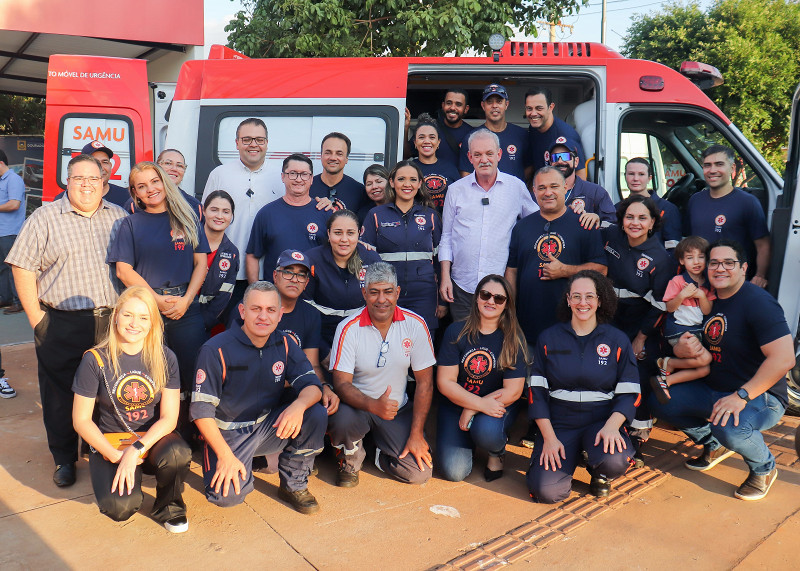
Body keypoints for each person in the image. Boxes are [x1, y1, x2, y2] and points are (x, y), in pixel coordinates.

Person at [6, 154, 127, 487]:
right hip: (60, 322)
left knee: (107, 392)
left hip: (109, 323)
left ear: (104, 184)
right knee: (59, 394)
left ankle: (101, 448)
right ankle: (64, 459)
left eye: (94, 179)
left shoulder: (119, 217)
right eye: (79, 179)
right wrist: (37, 319)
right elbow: (22, 266)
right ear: (68, 181)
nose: (87, 185)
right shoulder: (45, 217)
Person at [648, 240, 794, 501]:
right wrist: (681, 349)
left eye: (729, 262)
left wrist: (741, 396)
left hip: (760, 396)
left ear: (744, 268)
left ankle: (764, 467)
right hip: (713, 387)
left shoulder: (757, 302)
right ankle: (713, 445)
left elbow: (783, 359)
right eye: (714, 262)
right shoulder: (708, 298)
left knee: (729, 427)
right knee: (662, 402)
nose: (720, 268)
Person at [191, 281, 327, 513]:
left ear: (279, 315)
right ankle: (244, 461)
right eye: (256, 309)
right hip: (229, 436)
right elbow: (201, 412)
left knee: (315, 413)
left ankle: (294, 485)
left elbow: (313, 386)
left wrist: (298, 406)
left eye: (270, 310)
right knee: (227, 498)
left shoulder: (284, 342)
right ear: (243, 312)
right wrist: (225, 456)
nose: (263, 316)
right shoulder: (215, 349)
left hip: (267, 426)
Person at [72, 286, 191, 531]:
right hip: (112, 441)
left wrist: (135, 450)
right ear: (116, 316)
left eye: (143, 317)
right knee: (120, 508)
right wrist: (116, 455)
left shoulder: (166, 357)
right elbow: (81, 420)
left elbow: (169, 418)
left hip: (151, 438)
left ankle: (169, 507)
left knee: (177, 453)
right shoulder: (95, 359)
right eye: (128, 315)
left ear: (153, 323)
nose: (134, 323)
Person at [527, 270, 640, 502]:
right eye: (576, 296)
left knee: (614, 460)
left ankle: (600, 473)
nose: (583, 302)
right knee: (545, 491)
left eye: (590, 296)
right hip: (559, 422)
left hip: (601, 420)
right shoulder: (549, 338)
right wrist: (548, 437)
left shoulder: (617, 340)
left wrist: (612, 427)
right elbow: (536, 393)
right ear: (568, 300)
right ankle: (565, 458)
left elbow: (630, 392)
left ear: (600, 301)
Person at [109, 162, 209, 411]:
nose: (150, 189)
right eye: (142, 186)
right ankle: (158, 430)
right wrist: (155, 300)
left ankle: (194, 431)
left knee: (193, 372)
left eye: (155, 181)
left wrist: (186, 300)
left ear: (164, 181)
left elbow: (201, 264)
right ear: (135, 193)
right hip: (146, 312)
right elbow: (123, 270)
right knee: (151, 371)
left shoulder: (187, 219)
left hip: (186, 308)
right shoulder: (129, 224)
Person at [328, 262, 436, 487]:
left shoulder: (415, 325)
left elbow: (425, 383)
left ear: (397, 292)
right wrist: (373, 405)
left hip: (396, 409)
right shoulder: (348, 328)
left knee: (419, 474)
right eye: (374, 292)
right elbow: (341, 384)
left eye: (388, 292)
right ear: (364, 293)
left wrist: (416, 434)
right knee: (341, 419)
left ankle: (377, 453)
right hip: (357, 406)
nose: (381, 299)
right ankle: (349, 459)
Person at [440, 129, 539, 321]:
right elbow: (446, 237)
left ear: (499, 155)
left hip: (499, 290)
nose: (484, 159)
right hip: (462, 287)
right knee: (464, 344)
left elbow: (537, 220)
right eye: (477, 154)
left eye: (489, 153)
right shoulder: (455, 190)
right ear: (469, 157)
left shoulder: (516, 187)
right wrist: (445, 277)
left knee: (497, 344)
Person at [602, 195, 676, 454]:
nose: (635, 222)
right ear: (621, 221)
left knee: (638, 371)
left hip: (640, 325)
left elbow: (660, 305)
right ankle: (610, 422)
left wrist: (641, 338)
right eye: (629, 217)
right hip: (609, 318)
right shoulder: (610, 236)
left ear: (652, 222)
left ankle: (638, 432)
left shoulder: (660, 258)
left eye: (642, 218)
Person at [436, 274, 527, 482]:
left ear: (506, 304)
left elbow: (513, 391)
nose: (491, 301)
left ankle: (496, 452)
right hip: (455, 404)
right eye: (485, 295)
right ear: (477, 298)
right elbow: (445, 382)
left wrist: (474, 408)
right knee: (454, 472)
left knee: (485, 431)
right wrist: (475, 403)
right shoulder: (456, 332)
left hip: (496, 405)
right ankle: (467, 437)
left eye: (499, 298)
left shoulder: (513, 338)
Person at [505, 166, 606, 349]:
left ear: (565, 187)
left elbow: (602, 269)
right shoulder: (521, 227)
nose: (548, 192)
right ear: (533, 191)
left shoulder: (584, 224)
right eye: (541, 188)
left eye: (554, 186)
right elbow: (512, 271)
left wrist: (565, 271)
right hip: (527, 329)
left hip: (571, 328)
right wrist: (509, 311)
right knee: (530, 377)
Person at [202, 118, 282, 312]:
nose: (253, 144)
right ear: (237, 143)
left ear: (267, 143)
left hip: (268, 270)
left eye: (259, 139)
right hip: (227, 270)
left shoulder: (281, 175)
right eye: (246, 139)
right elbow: (204, 221)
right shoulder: (219, 174)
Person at [361, 160, 444, 336]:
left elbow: (439, 259)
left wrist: (442, 301)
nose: (407, 184)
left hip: (424, 294)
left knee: (423, 349)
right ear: (392, 182)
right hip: (387, 294)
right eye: (401, 179)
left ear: (420, 183)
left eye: (413, 179)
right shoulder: (375, 215)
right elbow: (364, 260)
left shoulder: (430, 216)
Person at [687, 145, 770, 286]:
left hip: (733, 283)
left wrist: (760, 276)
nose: (712, 170)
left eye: (719, 164)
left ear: (732, 169)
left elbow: (763, 245)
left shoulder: (748, 202)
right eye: (707, 165)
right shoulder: (695, 200)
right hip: (701, 283)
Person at [303, 209, 382, 351]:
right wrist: (322, 352)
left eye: (350, 233)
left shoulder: (372, 259)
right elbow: (303, 312)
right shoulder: (311, 261)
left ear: (359, 233)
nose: (344, 239)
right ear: (328, 234)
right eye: (338, 233)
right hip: (322, 339)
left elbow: (382, 307)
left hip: (364, 338)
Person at [246, 154, 332, 283]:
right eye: (292, 173)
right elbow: (253, 255)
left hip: (314, 296)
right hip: (275, 296)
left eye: (304, 174)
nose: (298, 179)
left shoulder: (324, 212)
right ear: (283, 177)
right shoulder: (267, 213)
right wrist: (257, 291)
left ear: (311, 179)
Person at [272, 250, 339, 415]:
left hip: (293, 389)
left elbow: (312, 364)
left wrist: (324, 386)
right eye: (288, 272)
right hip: (256, 387)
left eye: (301, 275)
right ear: (275, 275)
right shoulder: (257, 306)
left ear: (306, 282)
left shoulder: (310, 314)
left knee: (318, 412)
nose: (294, 279)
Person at [650, 236, 714, 403]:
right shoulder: (678, 281)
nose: (696, 261)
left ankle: (666, 380)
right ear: (681, 260)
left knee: (704, 369)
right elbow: (670, 307)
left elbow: (707, 310)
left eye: (701, 256)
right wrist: (682, 295)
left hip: (697, 330)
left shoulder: (708, 283)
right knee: (705, 359)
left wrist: (701, 296)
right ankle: (668, 363)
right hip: (678, 330)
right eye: (690, 257)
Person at [459, 84, 530, 183]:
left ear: (506, 104)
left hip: (514, 196)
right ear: (483, 106)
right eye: (489, 102)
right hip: (482, 196)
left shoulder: (522, 135)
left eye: (499, 101)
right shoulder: (472, 138)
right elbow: (465, 175)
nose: (494, 106)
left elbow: (529, 170)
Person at [544, 137, 615, 228]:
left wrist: (597, 220)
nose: (560, 161)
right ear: (550, 163)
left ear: (576, 161)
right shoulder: (542, 193)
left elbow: (613, 227)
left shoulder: (596, 192)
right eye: (555, 157)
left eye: (566, 156)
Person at [199, 190, 239, 333]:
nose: (219, 216)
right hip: (176, 314)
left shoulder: (232, 253)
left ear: (232, 216)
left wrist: (203, 324)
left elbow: (223, 297)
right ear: (204, 211)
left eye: (226, 211)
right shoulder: (187, 242)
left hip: (205, 324)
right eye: (214, 210)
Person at [124, 149, 203, 220]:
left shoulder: (194, 205)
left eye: (179, 166)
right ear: (157, 166)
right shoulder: (135, 204)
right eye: (168, 163)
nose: (174, 169)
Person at [525, 87, 586, 178]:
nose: (533, 113)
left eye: (539, 108)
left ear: (551, 107)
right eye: (529, 108)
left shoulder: (567, 135)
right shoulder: (534, 129)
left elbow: (580, 174)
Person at [624, 157, 681, 250]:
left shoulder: (667, 209)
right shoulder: (617, 208)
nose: (635, 178)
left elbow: (673, 250)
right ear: (625, 176)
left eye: (641, 174)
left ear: (649, 178)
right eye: (631, 174)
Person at [54, 141, 130, 208]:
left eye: (105, 162)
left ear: (110, 165)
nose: (101, 167)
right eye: (95, 162)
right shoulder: (63, 199)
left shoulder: (127, 197)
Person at [410, 113, 461, 211]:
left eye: (432, 137)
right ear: (415, 143)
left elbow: (459, 200)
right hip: (417, 223)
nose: (427, 141)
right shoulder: (409, 169)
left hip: (445, 223)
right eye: (421, 137)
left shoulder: (450, 168)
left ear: (438, 142)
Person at [309, 132, 368, 216]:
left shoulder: (360, 192)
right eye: (328, 152)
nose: (333, 158)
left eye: (339, 154)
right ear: (321, 155)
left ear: (346, 158)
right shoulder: (307, 187)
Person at [0, 149, 25, 314]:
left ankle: (18, 302)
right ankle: (5, 298)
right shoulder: (2, 180)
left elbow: (14, 204)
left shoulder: (13, 179)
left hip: (11, 232)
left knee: (12, 268)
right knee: (3, 268)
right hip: (2, 232)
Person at [435, 89, 473, 171]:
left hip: (461, 182)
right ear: (443, 105)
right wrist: (405, 128)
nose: (452, 108)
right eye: (449, 103)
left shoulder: (472, 134)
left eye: (458, 104)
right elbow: (407, 153)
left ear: (466, 109)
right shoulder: (430, 129)